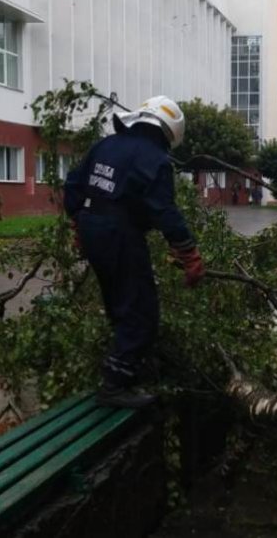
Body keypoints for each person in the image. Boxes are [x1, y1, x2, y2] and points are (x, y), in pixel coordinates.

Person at [64, 96, 205, 409]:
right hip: (119, 235)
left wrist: (78, 225)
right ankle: (115, 385)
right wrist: (189, 253)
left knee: (120, 302)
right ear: (168, 133)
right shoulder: (155, 159)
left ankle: (124, 373)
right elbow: (164, 210)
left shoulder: (106, 145)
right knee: (142, 313)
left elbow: (74, 183)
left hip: (92, 228)